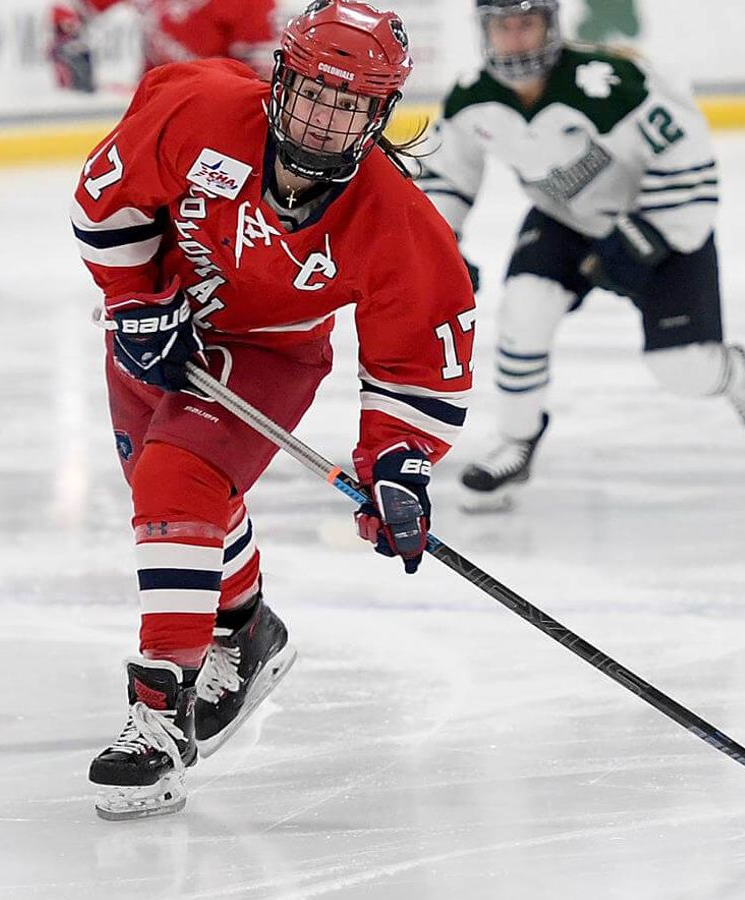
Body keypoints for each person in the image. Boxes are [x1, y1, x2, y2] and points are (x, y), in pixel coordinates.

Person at [72, 0, 476, 820]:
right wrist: (137, 295)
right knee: (176, 503)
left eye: (349, 104)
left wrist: (398, 465)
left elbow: (419, 362)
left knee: (174, 483)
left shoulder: (393, 217)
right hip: (161, 318)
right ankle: (249, 629)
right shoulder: (203, 112)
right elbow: (102, 199)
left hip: (269, 353)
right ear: (281, 78)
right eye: (314, 94)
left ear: (378, 116)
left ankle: (158, 718)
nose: (324, 120)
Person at [418, 0, 745, 511]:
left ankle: (731, 371)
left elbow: (689, 158)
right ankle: (517, 441)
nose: (516, 38)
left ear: (551, 24)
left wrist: (640, 239)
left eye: (528, 23)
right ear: (485, 32)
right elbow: (445, 177)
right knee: (524, 307)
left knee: (682, 370)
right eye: (503, 26)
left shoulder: (613, 81)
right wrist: (439, 243)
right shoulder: (473, 97)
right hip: (566, 220)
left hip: (661, 225)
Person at [49, 0, 278, 92]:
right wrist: (67, 34)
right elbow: (74, 7)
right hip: (151, 107)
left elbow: (260, 80)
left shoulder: (252, 4)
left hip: (209, 115)